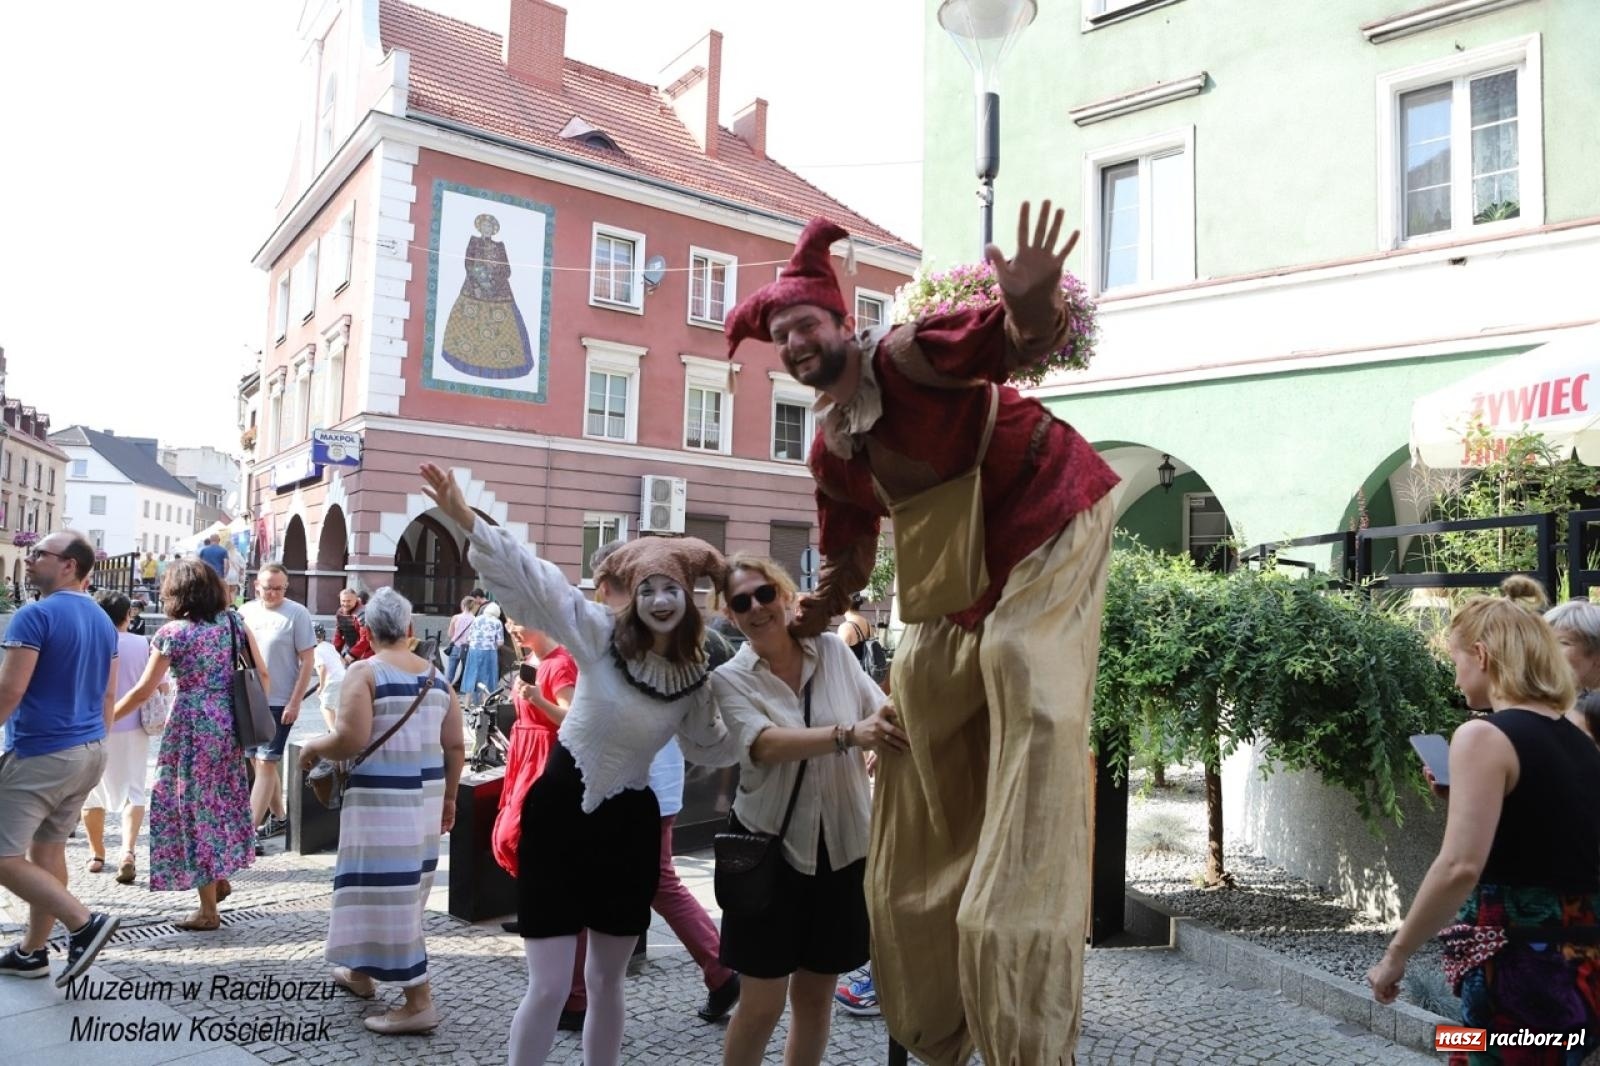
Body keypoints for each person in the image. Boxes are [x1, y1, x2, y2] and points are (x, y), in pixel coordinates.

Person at [723, 208, 1117, 1064]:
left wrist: (1032, 303)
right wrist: (811, 615)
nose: (793, 344)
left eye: (804, 326)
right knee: (918, 707)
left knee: (1022, 664)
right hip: (961, 573)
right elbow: (846, 556)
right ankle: (931, 973)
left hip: (1049, 510)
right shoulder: (832, 451)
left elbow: (1009, 345)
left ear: (841, 320)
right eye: (781, 338)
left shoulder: (909, 352)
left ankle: (1014, 920)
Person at [418, 463, 740, 1066]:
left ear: (687, 598)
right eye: (647, 588)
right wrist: (465, 515)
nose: (661, 599)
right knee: (546, 985)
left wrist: (759, 710)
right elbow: (540, 582)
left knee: (607, 983)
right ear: (633, 597)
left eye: (671, 588)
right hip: (560, 816)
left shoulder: (696, 678)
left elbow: (713, 746)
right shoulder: (598, 635)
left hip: (629, 831)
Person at [1366, 576, 1600, 1064]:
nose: (1455, 679)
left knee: (1476, 1049)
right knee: (1467, 1045)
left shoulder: (1482, 735)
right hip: (1583, 966)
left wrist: (1396, 954)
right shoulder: (1577, 739)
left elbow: (1459, 867)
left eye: (1455, 663)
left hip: (1520, 966)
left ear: (1482, 655)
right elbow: (1545, 832)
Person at [708, 555, 905, 1066]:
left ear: (785, 594)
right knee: (761, 1003)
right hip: (769, 852)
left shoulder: (833, 653)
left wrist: (890, 723)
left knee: (816, 998)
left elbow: (874, 708)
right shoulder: (731, 679)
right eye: (741, 602)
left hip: (842, 847)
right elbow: (764, 744)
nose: (756, 608)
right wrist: (847, 737)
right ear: (730, 615)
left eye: (764, 594)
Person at [587, 541, 743, 1025]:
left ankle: (720, 969)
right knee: (645, 880)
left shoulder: (662, 638)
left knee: (656, 881)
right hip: (639, 785)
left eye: (607, 585)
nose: (602, 594)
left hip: (646, 785)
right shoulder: (619, 633)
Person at [298, 587, 465, 1035]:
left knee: (385, 892)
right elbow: (455, 746)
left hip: (379, 802)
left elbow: (350, 739)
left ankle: (419, 1000)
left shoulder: (366, 672)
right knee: (393, 890)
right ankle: (360, 972)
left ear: (367, 631)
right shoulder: (436, 676)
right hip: (424, 801)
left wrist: (313, 746)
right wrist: (450, 798)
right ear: (410, 630)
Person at [0, 531, 120, 985]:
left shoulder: (34, 616)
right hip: (88, 751)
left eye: (38, 555)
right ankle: (32, 951)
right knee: (47, 848)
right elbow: (109, 695)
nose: (28, 560)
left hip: (43, 752)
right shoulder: (104, 620)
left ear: (69, 565)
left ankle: (83, 924)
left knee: (2, 854)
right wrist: (93, 742)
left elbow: (11, 689)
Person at [115, 561, 260, 930]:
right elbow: (262, 672)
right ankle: (219, 878)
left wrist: (107, 717)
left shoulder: (173, 633)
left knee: (192, 809)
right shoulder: (233, 624)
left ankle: (208, 910)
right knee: (219, 802)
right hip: (227, 723)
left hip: (191, 726)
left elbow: (145, 690)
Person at [493, 626, 586, 1025]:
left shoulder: (560, 664)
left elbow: (572, 718)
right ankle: (531, 909)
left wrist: (537, 701)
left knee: (521, 835)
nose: (513, 627)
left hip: (546, 757)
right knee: (516, 835)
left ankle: (544, 922)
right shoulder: (532, 660)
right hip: (525, 752)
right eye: (511, 618)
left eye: (521, 619)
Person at [81, 590, 169, 885]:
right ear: (127, 616)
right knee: (134, 789)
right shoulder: (142, 644)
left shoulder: (88, 643)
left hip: (92, 725)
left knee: (91, 791)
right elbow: (162, 685)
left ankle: (97, 853)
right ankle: (128, 852)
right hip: (133, 724)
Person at [239, 563, 316, 845]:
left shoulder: (297, 614)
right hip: (249, 697)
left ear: (286, 587)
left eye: (278, 588)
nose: (272, 593)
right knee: (256, 762)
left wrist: (295, 701)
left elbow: (308, 660)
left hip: (279, 699)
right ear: (256, 585)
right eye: (267, 587)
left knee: (266, 761)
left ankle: (248, 833)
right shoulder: (245, 611)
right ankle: (280, 817)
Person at [1545, 597, 1600, 740]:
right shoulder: (1559, 701)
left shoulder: (1583, 717)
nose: (1549, 652)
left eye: (1562, 643)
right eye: (1547, 642)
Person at [461, 601, 505, 705]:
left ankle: (467, 703)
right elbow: (500, 642)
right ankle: (485, 703)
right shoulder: (496, 622)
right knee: (488, 677)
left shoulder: (476, 619)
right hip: (489, 652)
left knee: (471, 675)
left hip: (473, 650)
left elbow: (469, 638)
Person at [311, 623, 347, 732]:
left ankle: (333, 731)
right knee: (335, 705)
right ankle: (337, 728)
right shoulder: (329, 646)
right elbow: (342, 660)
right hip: (343, 677)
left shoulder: (316, 650)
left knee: (325, 707)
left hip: (332, 680)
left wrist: (321, 687)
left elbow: (322, 668)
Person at [445, 595, 477, 689]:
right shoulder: (475, 619)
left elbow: (450, 634)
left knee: (450, 673)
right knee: (467, 672)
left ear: (463, 605)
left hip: (455, 646)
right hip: (468, 648)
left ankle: (445, 691)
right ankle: (466, 693)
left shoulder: (455, 617)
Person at [333, 588, 364, 656]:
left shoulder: (363, 613)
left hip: (364, 651)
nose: (345, 604)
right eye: (343, 601)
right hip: (349, 648)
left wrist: (353, 654)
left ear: (355, 600)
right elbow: (339, 634)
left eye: (349, 601)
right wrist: (334, 652)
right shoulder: (340, 612)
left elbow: (365, 638)